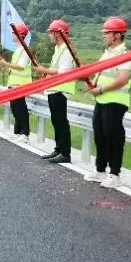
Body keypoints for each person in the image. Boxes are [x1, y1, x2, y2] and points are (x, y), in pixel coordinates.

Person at [85, 17, 131, 188]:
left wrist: (101, 89)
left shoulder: (124, 54)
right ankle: (100, 170)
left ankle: (114, 174)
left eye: (107, 33)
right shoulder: (107, 52)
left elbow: (123, 79)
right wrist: (92, 84)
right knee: (100, 135)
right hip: (101, 100)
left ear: (117, 35)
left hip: (115, 101)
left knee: (113, 137)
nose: (103, 36)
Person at [34, 19, 76, 164]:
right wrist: (44, 75)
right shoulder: (58, 49)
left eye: (51, 33)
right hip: (53, 89)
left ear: (58, 34)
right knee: (56, 121)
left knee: (61, 121)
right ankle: (58, 149)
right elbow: (53, 69)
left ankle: (65, 153)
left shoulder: (67, 49)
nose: (49, 36)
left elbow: (62, 72)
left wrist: (43, 70)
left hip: (60, 89)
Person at [0, 22, 33, 141]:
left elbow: (21, 66)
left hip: (21, 84)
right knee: (15, 108)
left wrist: (6, 64)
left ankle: (25, 134)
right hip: (14, 83)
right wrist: (5, 66)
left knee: (20, 109)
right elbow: (14, 67)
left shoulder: (25, 50)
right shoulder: (18, 50)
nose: (12, 35)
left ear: (19, 34)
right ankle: (18, 132)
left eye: (13, 33)